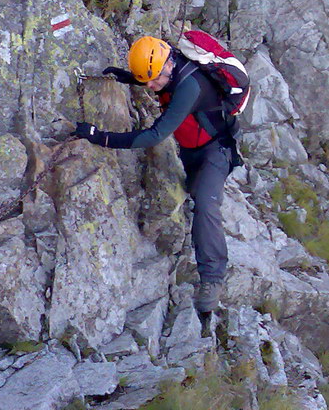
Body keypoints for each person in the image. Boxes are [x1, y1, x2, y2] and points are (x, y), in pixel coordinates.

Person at [72, 36, 236, 313]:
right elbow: (159, 80)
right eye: (145, 80)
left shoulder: (190, 86)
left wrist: (101, 138)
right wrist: (128, 77)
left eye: (153, 80)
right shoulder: (168, 71)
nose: (150, 87)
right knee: (194, 193)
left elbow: (155, 135)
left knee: (206, 205)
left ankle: (212, 279)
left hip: (216, 152)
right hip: (192, 151)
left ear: (169, 65)